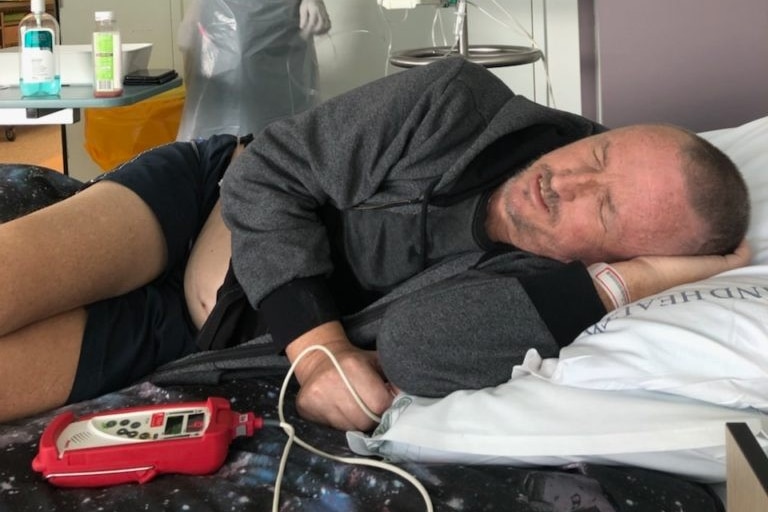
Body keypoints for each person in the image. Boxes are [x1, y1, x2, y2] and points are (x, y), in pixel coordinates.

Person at [0, 57, 750, 431]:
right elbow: (267, 175)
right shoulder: (456, 102)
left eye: (607, 209)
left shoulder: (540, 287)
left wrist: (633, 283)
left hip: (196, 334)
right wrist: (318, 347)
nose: (565, 180)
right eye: (597, 154)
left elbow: (423, 350)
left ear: (608, 260)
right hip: (196, 214)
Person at [176, 0, 331, 141]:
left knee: (289, 125)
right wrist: (194, 11)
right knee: (228, 118)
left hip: (285, 21)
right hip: (224, 20)